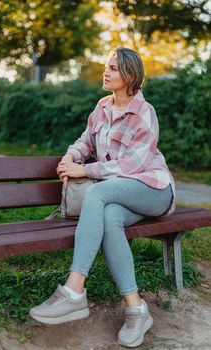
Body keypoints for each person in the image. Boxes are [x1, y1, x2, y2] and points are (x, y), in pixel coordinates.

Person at [29, 47, 175, 348]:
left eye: (113, 68)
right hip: (120, 193)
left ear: (130, 75)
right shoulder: (102, 108)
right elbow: (85, 140)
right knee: (109, 217)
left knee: (97, 191)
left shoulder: (144, 113)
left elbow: (130, 166)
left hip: (152, 189)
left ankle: (74, 290)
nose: (105, 72)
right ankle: (136, 309)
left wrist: (84, 171)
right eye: (106, 66)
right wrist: (71, 156)